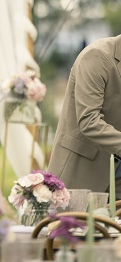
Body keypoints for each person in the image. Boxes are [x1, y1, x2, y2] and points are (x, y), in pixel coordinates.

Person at [48, 35, 121, 197]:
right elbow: (89, 120)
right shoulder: (96, 56)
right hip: (82, 173)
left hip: (117, 184)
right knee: (70, 216)